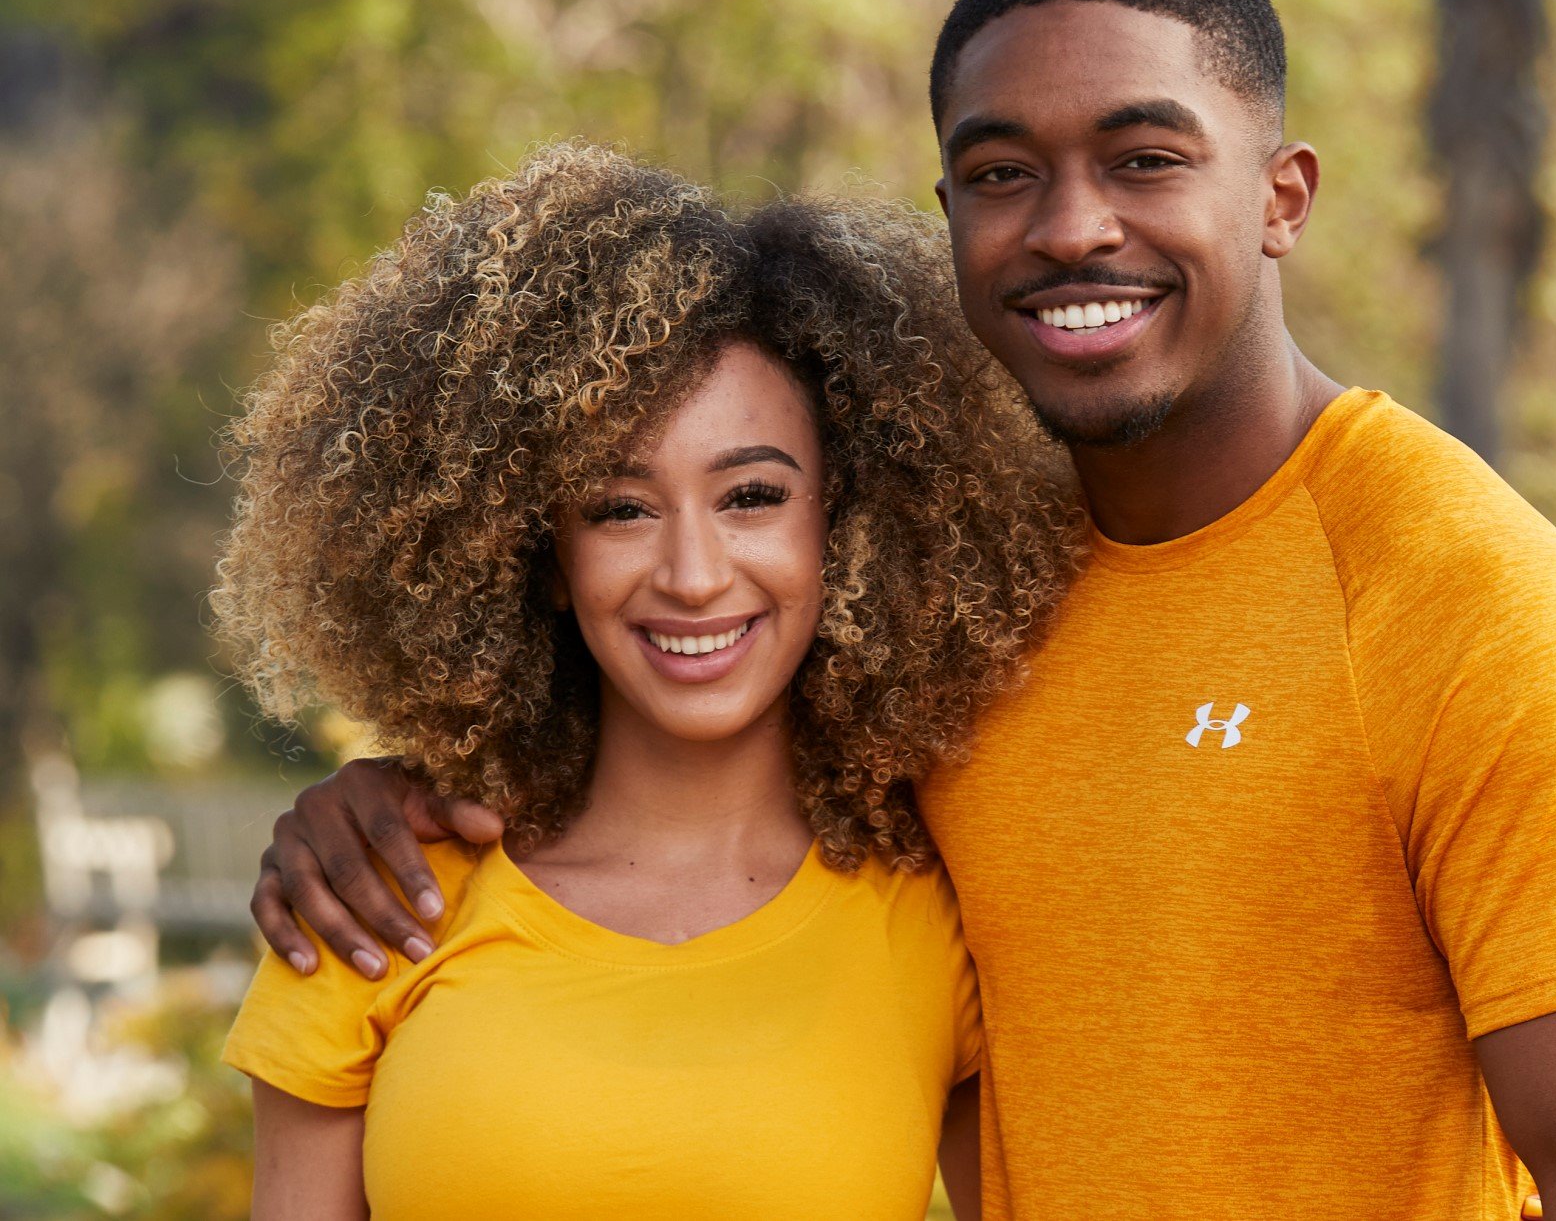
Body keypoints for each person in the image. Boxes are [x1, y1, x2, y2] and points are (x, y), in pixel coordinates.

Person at [249, 0, 1556, 1220]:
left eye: (1147, 159)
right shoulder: (971, 607)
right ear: (951, 218)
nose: (1074, 225)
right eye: (1004, 172)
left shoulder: (1485, 613)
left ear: (1282, 195)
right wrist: (378, 798)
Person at [212, 142, 1081, 1219]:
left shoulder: (935, 914)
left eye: (751, 494)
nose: (693, 573)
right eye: (620, 507)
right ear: (532, 550)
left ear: (844, 520)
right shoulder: (380, 897)